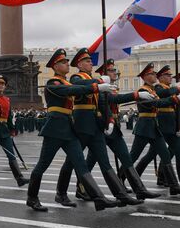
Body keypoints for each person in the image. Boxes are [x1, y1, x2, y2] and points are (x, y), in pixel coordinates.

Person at [26, 49, 119, 212]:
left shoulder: (68, 82)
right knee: (42, 165)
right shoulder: (53, 83)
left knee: (81, 164)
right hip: (55, 128)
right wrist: (96, 86)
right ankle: (32, 198)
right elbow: (70, 91)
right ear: (55, 66)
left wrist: (97, 87)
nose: (67, 64)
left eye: (67, 62)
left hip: (69, 128)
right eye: (63, 62)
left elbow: (77, 89)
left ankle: (99, 198)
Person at [54, 48, 143, 208]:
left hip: (95, 125)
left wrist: (108, 120)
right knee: (72, 161)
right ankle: (60, 193)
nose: (90, 63)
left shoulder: (94, 80)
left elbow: (103, 102)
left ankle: (121, 195)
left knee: (104, 162)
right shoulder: (76, 77)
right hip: (81, 125)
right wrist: (99, 83)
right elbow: (79, 85)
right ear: (80, 64)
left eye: (90, 61)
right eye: (87, 61)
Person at [80, 59, 160, 201]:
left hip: (113, 127)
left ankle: (139, 189)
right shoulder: (101, 88)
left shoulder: (111, 87)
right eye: (111, 70)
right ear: (104, 74)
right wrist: (136, 95)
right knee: (92, 161)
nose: (114, 72)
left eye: (114, 70)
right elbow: (114, 100)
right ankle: (81, 188)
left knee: (126, 157)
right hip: (101, 127)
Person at [127, 63, 180, 196]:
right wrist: (175, 97)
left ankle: (174, 186)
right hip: (144, 126)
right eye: (151, 74)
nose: (154, 76)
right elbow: (158, 103)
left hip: (154, 126)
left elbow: (161, 103)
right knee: (133, 156)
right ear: (145, 77)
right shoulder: (143, 91)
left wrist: (175, 99)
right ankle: (121, 179)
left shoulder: (151, 90)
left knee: (165, 155)